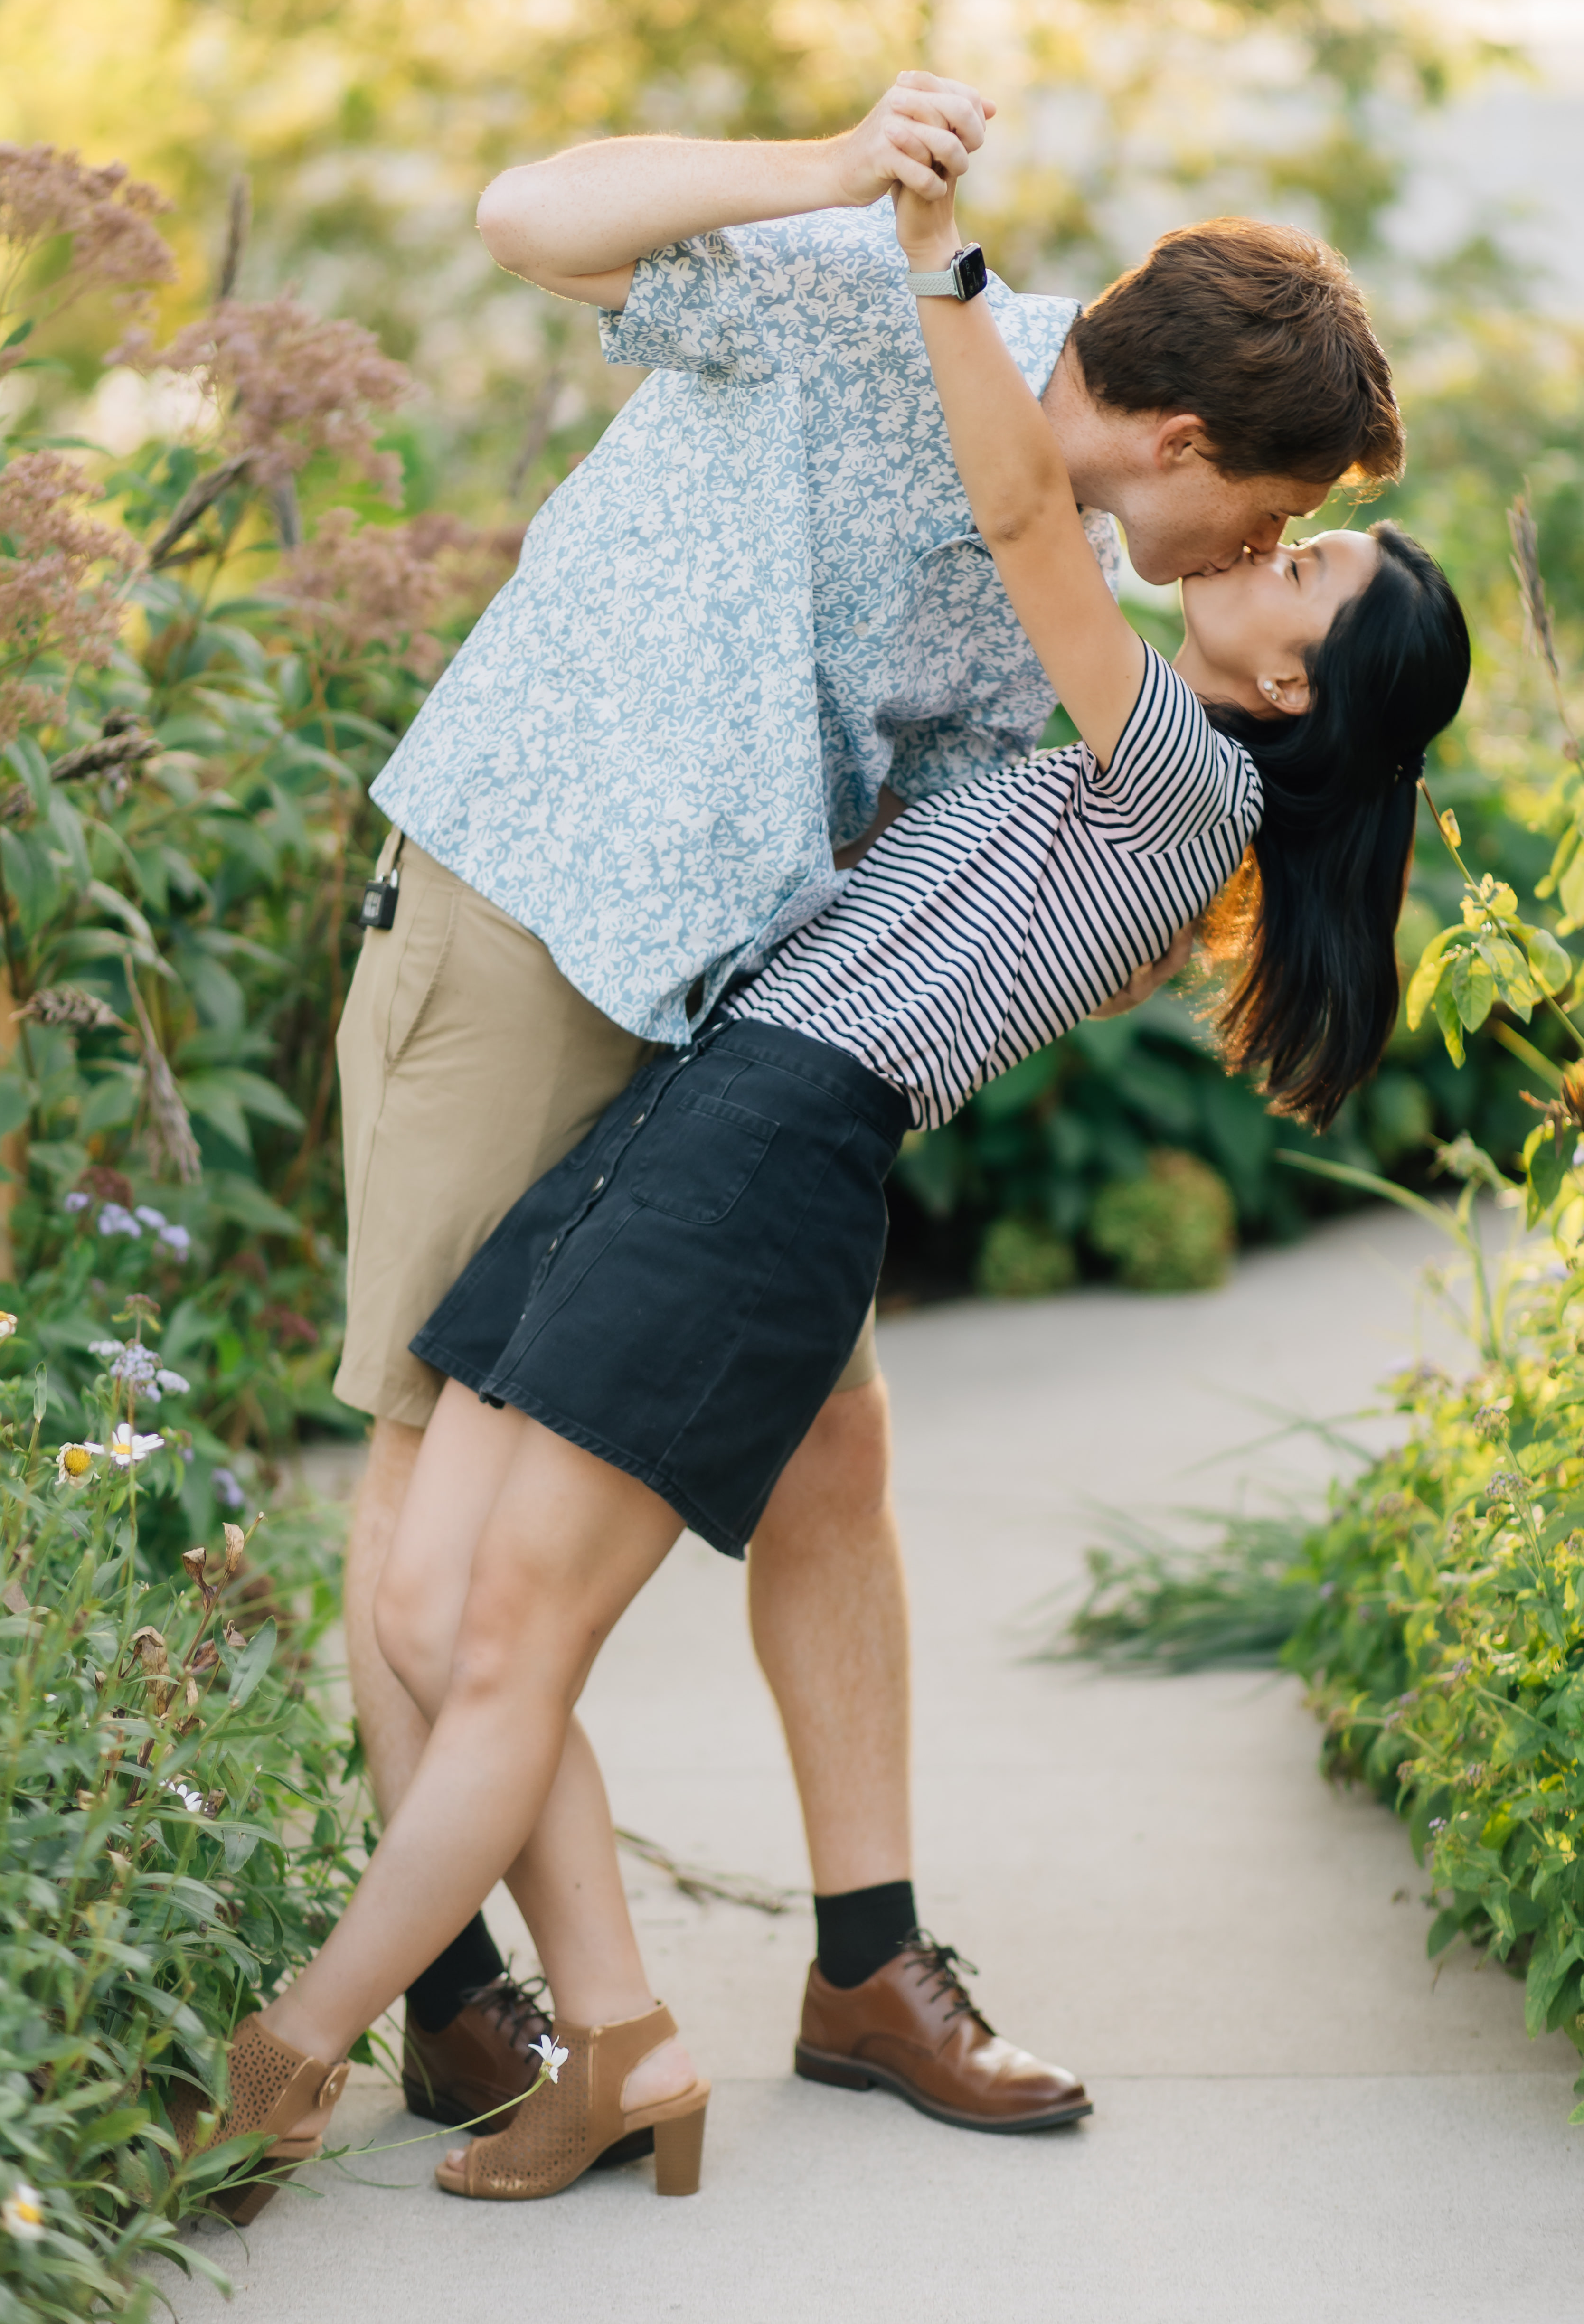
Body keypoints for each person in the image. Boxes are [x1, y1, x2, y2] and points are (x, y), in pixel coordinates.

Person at [179, 161, 1468, 2210]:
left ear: (1294, 675)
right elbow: (532, 216)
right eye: (1287, 520)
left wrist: (943, 267)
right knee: (437, 1564)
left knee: (595, 1582)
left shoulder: (1159, 733)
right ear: (1188, 443)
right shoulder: (907, 366)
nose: (1266, 548)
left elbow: (1006, 611)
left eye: (1300, 560)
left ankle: (503, 2027)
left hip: (757, 1110)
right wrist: (878, 209)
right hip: (599, 968)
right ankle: (519, 2009)